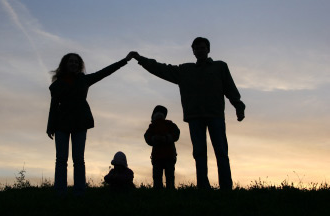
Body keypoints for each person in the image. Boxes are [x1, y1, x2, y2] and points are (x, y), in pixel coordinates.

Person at [129, 37, 245, 190]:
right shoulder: (185, 70)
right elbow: (162, 69)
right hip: (195, 117)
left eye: (202, 48)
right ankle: (203, 187)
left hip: (215, 115)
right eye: (196, 48)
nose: (199, 50)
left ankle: (226, 187)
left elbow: (230, 88)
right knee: (199, 153)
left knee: (221, 151)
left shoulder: (220, 67)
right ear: (193, 51)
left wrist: (238, 106)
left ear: (208, 49)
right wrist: (141, 59)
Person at [46, 52, 133, 197]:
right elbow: (53, 106)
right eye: (70, 61)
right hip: (61, 124)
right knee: (61, 160)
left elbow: (105, 72)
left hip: (80, 123)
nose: (73, 64)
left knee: (78, 160)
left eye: (76, 62)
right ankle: (60, 192)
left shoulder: (84, 80)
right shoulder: (57, 85)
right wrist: (50, 126)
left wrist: (124, 61)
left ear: (79, 66)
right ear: (65, 64)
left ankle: (79, 192)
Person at [144, 105, 180, 189]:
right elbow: (176, 133)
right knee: (167, 176)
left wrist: (165, 138)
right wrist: (155, 139)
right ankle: (167, 191)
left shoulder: (155, 126)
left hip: (164, 156)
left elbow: (147, 137)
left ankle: (161, 191)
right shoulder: (168, 124)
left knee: (161, 177)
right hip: (165, 156)